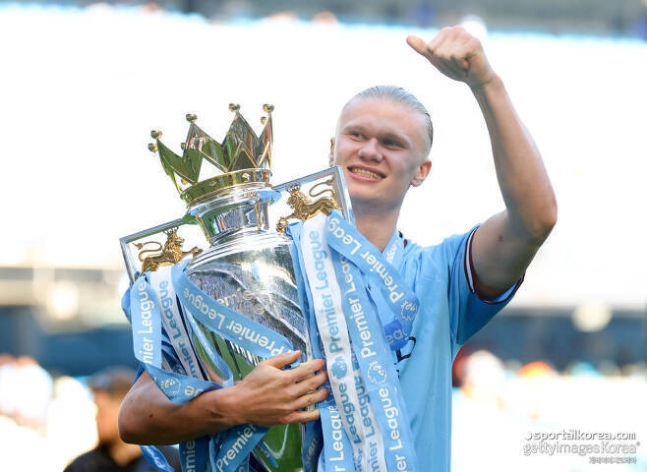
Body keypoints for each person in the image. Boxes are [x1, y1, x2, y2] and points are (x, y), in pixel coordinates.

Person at [118, 25, 557, 470]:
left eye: (392, 143)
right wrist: (236, 404)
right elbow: (134, 417)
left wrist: (486, 83)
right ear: (332, 149)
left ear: (421, 171)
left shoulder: (441, 276)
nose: (370, 151)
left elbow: (535, 220)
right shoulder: (254, 268)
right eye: (357, 136)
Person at [64, 366, 181, 472]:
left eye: (101, 411)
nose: (96, 418)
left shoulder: (170, 464)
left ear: (126, 410)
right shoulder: (80, 467)